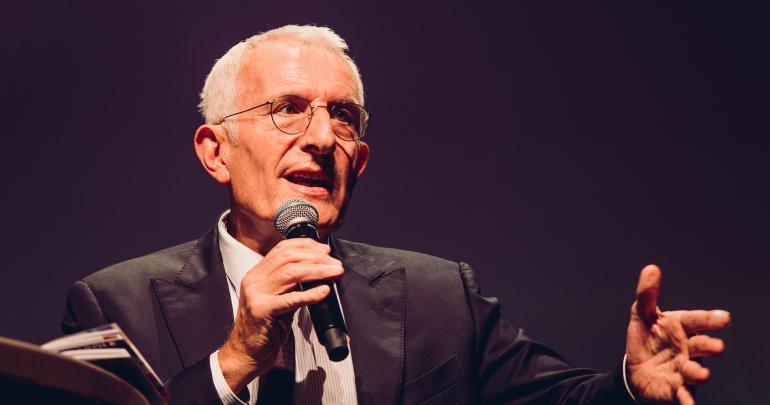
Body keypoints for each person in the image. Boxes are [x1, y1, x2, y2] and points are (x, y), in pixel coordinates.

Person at [61, 25, 730, 404]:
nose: (321, 139)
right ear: (216, 152)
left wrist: (631, 384)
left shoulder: (441, 297)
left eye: (342, 117)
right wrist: (234, 359)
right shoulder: (117, 306)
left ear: (361, 159)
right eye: (288, 109)